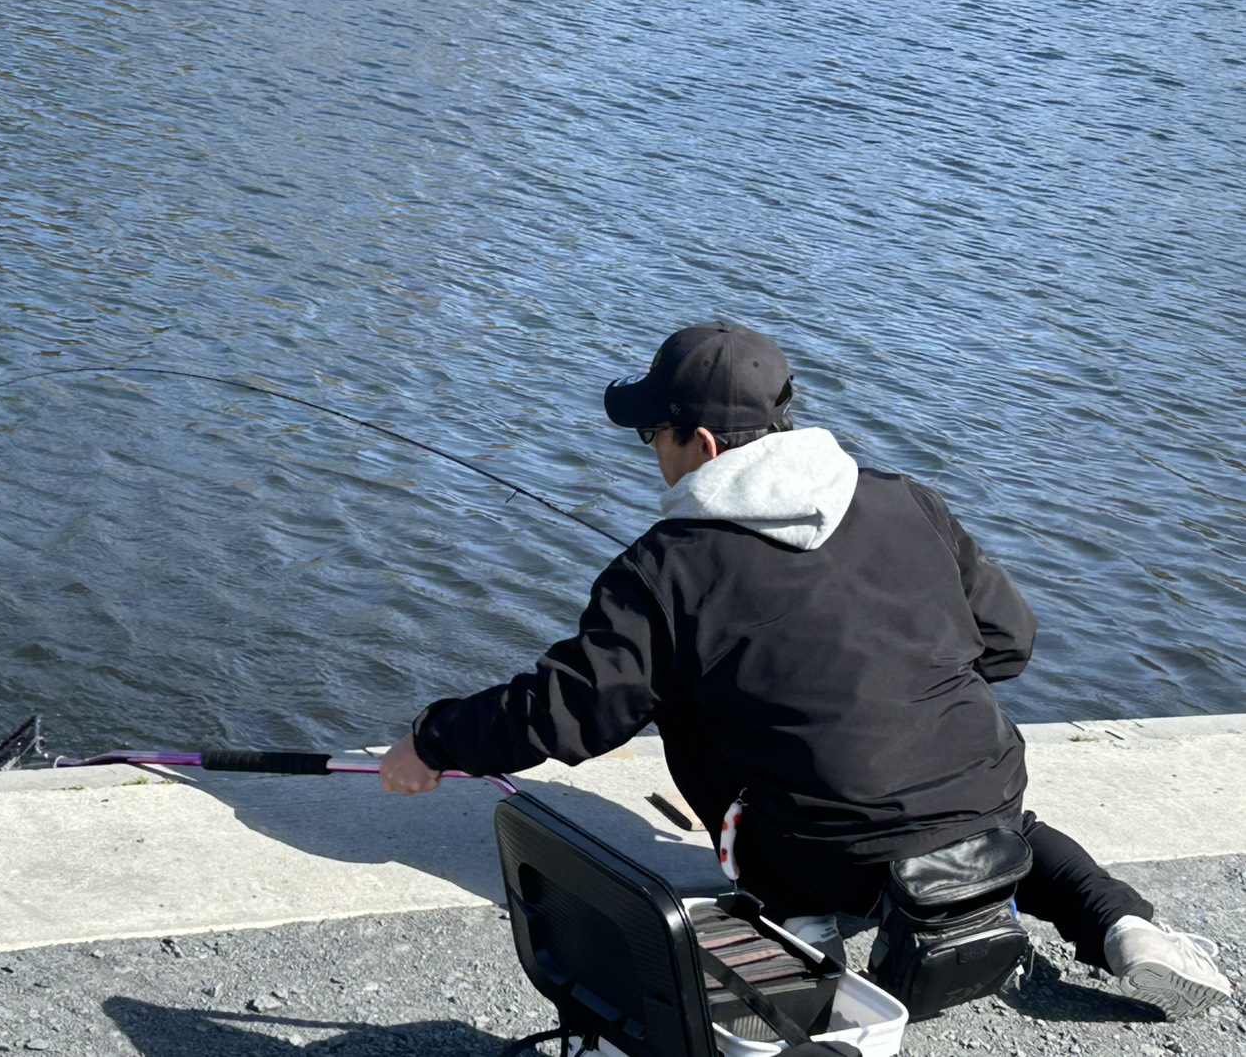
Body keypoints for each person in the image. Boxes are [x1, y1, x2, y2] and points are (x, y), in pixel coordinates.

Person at [378, 321, 1231, 1021]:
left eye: (651, 435)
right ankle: (1122, 925)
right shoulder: (907, 500)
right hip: (989, 802)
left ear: (700, 442)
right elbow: (1009, 641)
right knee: (978, 816)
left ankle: (795, 917)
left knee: (687, 699)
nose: (651, 453)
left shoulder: (666, 567)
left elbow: (571, 711)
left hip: (821, 849)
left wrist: (435, 740)